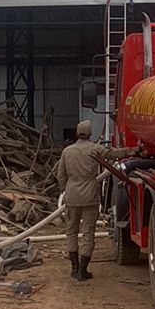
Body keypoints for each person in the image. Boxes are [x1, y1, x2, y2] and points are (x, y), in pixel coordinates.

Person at [58, 120, 102, 282]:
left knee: (71, 231)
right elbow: (114, 154)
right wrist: (132, 151)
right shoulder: (95, 149)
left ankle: (74, 268)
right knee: (88, 233)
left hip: (72, 196)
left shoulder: (67, 152)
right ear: (90, 133)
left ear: (77, 133)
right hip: (90, 196)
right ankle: (83, 270)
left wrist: (65, 190)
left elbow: (61, 174)